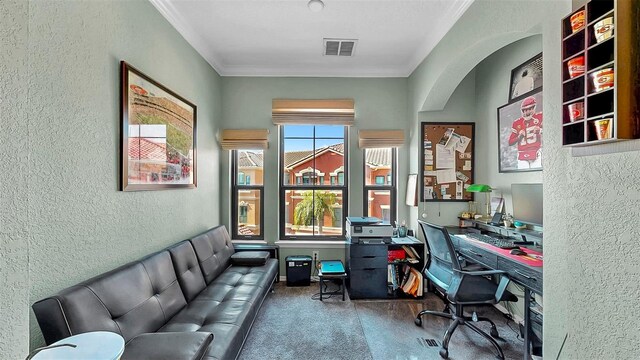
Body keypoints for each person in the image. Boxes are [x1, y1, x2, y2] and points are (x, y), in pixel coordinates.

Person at [508, 96, 542, 169]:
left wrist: (540, 131)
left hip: (536, 152)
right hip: (522, 154)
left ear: (534, 108)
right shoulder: (517, 122)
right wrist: (519, 137)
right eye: (524, 110)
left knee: (536, 174)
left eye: (529, 109)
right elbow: (510, 142)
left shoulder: (540, 117)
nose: (526, 112)